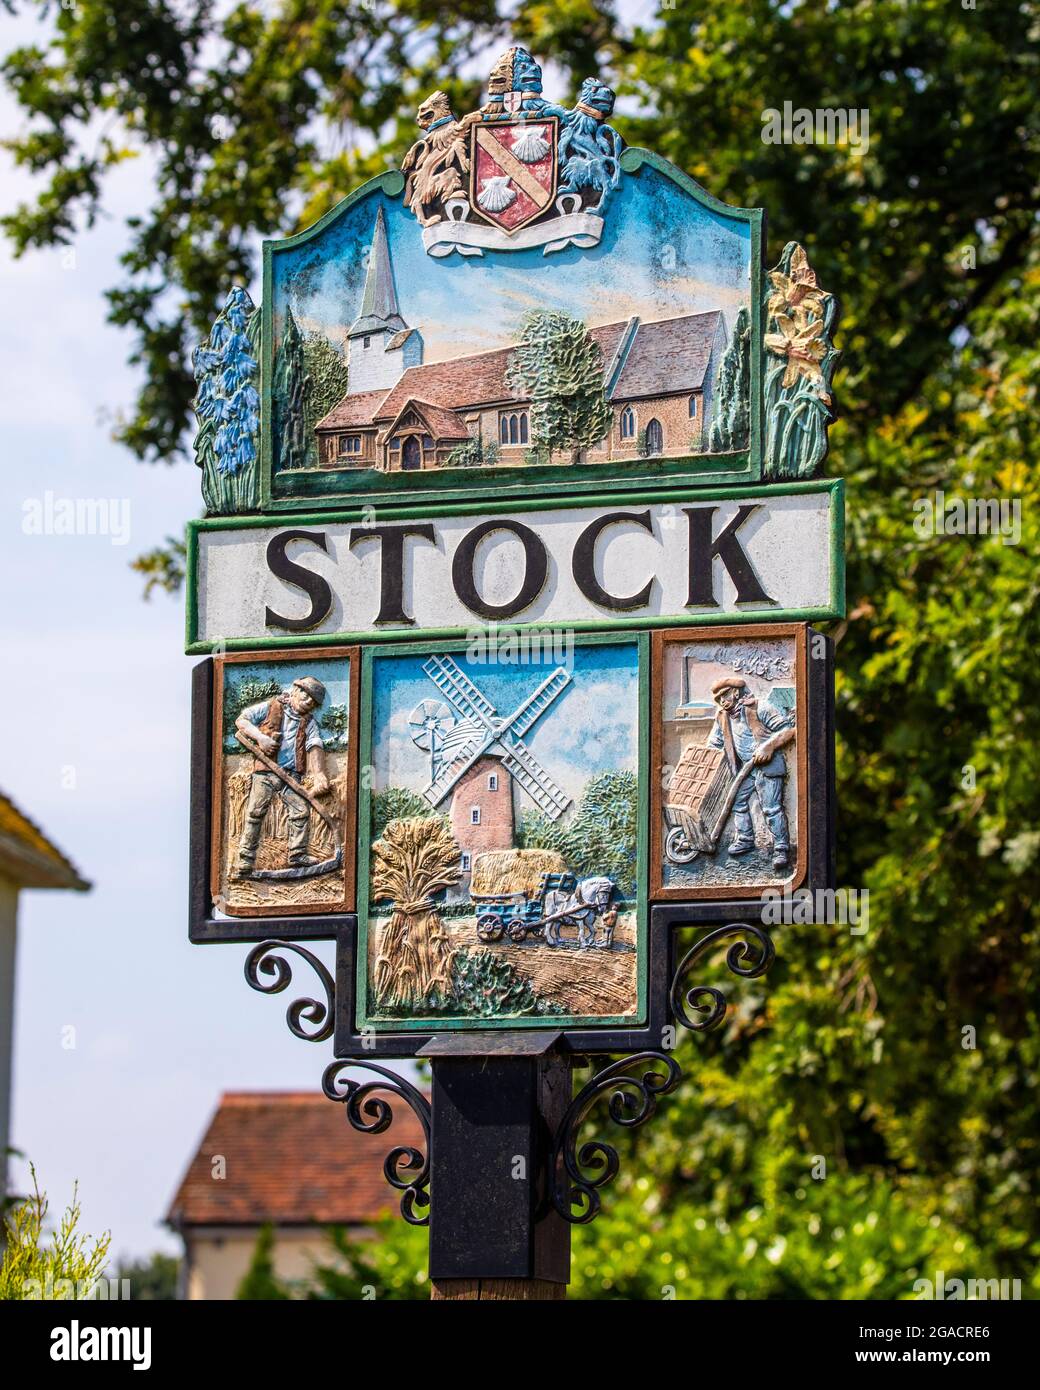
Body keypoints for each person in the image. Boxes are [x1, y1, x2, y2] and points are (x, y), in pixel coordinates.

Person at [232, 676, 329, 877]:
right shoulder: (270, 707)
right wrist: (261, 738)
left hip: (290, 775)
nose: (309, 701)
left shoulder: (308, 722)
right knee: (255, 813)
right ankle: (245, 861)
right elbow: (241, 720)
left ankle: (297, 854)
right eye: (306, 694)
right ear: (294, 690)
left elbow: (315, 744)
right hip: (265, 771)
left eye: (314, 700)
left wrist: (319, 774)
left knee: (300, 811)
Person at [706, 676, 794, 872]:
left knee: (771, 808)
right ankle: (745, 839)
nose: (723, 701)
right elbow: (713, 744)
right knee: (737, 801)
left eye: (725, 695)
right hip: (744, 769)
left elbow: (788, 730)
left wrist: (768, 746)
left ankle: (781, 848)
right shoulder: (722, 717)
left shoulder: (759, 707)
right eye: (719, 699)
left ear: (736, 692)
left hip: (767, 767)